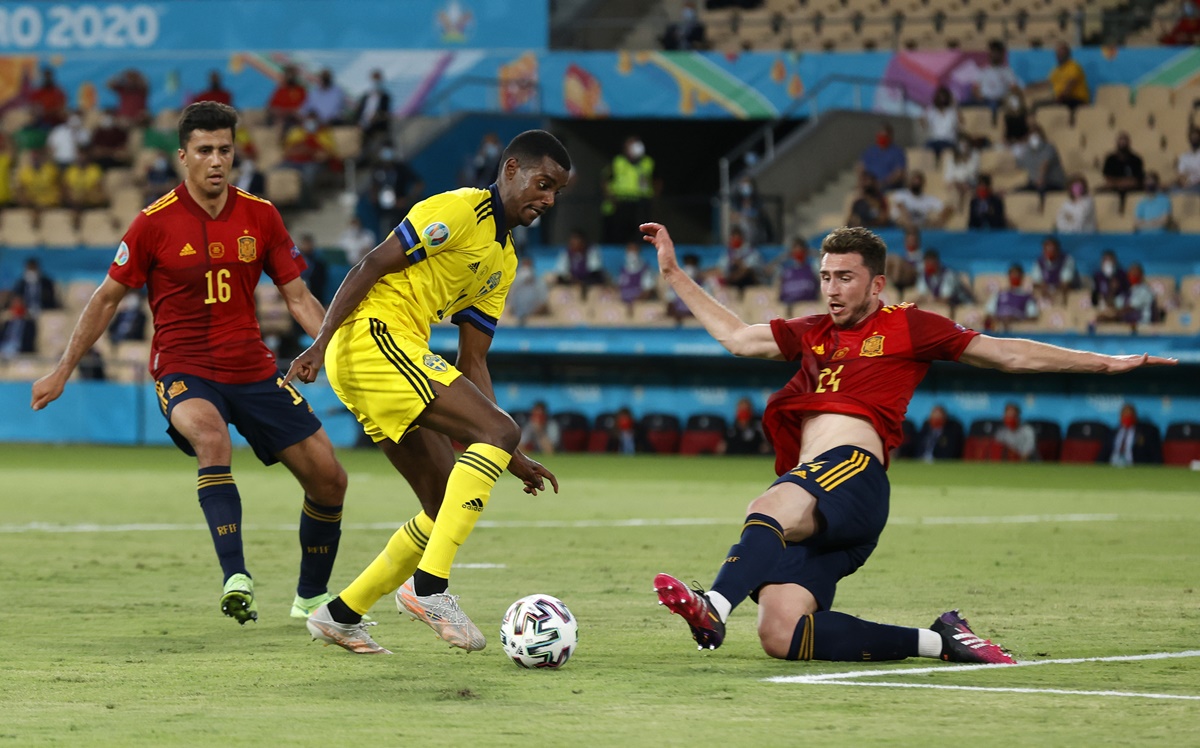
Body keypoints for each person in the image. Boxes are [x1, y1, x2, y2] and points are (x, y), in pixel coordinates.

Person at [640, 220, 1174, 664]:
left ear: (876, 285)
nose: (832, 289)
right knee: (782, 635)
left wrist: (1104, 361)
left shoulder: (908, 326)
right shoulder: (813, 332)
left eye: (845, 278)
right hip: (824, 497)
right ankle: (941, 640)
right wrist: (673, 272)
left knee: (768, 506)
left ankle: (712, 603)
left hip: (850, 474)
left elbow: (1006, 353)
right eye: (825, 277)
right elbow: (737, 337)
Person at [31, 101, 350, 627]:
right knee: (211, 438)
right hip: (184, 367)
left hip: (253, 368)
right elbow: (106, 299)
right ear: (183, 156)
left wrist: (329, 348)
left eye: (225, 150)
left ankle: (311, 599)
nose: (217, 160)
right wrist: (63, 369)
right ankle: (236, 577)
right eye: (205, 151)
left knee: (329, 480)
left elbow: (297, 295)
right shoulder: (152, 224)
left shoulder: (261, 215)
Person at [286, 129, 570, 655]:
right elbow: (370, 264)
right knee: (497, 430)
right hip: (374, 336)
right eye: (542, 183)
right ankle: (429, 589)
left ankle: (340, 614)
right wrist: (319, 344)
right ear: (510, 170)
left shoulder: (503, 261)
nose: (548, 199)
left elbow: (474, 360)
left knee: (441, 500)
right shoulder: (460, 211)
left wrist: (512, 452)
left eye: (556, 192)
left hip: (389, 352)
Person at [603, 135, 656, 244]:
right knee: (618, 233)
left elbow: (657, 181)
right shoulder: (618, 162)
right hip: (622, 201)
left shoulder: (648, 162)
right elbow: (606, 180)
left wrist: (654, 199)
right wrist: (611, 197)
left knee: (640, 233)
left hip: (641, 203)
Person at [1093, 261, 1157, 334]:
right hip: (1126, 328)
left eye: (1135, 273)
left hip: (1143, 328)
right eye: (1131, 273)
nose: (1133, 275)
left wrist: (1110, 317)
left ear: (1141, 275)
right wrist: (1112, 290)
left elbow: (1129, 308)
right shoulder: (1127, 292)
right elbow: (1113, 304)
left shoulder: (1145, 291)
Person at [970, 40, 1022, 113]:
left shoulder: (1007, 71)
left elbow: (1014, 88)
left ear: (1001, 54)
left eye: (996, 52)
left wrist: (1008, 96)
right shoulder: (983, 71)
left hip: (1001, 100)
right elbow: (975, 89)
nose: (994, 55)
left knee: (1015, 102)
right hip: (986, 100)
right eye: (992, 52)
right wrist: (979, 97)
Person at [986, 263, 1040, 331]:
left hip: (1017, 329)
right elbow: (989, 313)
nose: (1014, 278)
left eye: (1017, 275)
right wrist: (1001, 319)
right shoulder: (999, 294)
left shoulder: (1027, 297)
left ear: (1022, 277)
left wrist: (1016, 319)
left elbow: (1033, 316)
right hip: (999, 327)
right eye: (1012, 275)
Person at [1016, 126, 1066, 197]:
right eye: (1030, 135)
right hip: (1035, 184)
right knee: (1017, 192)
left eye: (1036, 135)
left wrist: (1040, 178)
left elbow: (1045, 164)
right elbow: (1019, 164)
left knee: (1041, 191)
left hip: (1054, 183)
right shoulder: (1027, 151)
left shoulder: (1049, 147)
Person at [554, 228, 607, 294]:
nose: (573, 244)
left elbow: (595, 274)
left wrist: (582, 283)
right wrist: (573, 281)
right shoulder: (565, 253)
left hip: (590, 284)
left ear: (583, 242)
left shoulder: (592, 251)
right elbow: (561, 274)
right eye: (572, 242)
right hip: (573, 284)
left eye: (577, 241)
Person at [1029, 235, 1077, 304]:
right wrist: (1044, 288)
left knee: (1063, 293)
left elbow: (1066, 282)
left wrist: (1054, 292)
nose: (1049, 251)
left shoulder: (1067, 260)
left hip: (1063, 291)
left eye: (1052, 249)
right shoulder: (1039, 262)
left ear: (1057, 249)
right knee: (1034, 291)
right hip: (1047, 291)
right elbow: (1037, 280)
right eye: (1047, 249)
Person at [353, 69, 392, 154]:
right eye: (374, 80)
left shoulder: (385, 97)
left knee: (380, 143)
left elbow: (385, 113)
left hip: (377, 125)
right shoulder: (365, 96)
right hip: (363, 124)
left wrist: (376, 117)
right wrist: (358, 122)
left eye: (377, 80)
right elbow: (360, 111)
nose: (375, 83)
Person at [860, 122, 906, 191]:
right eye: (880, 136)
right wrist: (862, 182)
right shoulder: (870, 151)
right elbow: (861, 167)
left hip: (887, 187)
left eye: (884, 136)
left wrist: (883, 183)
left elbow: (899, 173)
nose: (882, 138)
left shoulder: (897, 152)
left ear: (890, 136)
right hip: (869, 186)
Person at [1101, 132, 1145, 205]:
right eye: (1120, 140)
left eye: (1125, 141)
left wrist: (1117, 182)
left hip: (1132, 191)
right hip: (1113, 191)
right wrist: (1122, 183)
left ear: (1129, 143)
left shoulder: (1136, 159)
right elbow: (1108, 179)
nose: (1122, 143)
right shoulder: (1110, 159)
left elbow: (1136, 180)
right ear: (1117, 142)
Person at [777, 237, 819, 309]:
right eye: (795, 251)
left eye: (801, 251)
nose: (798, 254)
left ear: (805, 252)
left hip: (809, 306)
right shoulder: (785, 271)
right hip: (789, 308)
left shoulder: (813, 268)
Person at [923, 86, 960, 164]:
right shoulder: (931, 111)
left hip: (948, 141)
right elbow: (925, 125)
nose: (942, 99)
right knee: (926, 148)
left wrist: (955, 106)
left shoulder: (952, 112)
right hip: (934, 141)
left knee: (945, 148)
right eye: (940, 96)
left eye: (944, 96)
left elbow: (959, 124)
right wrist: (923, 120)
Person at [507, 257, 550, 325]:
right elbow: (510, 305)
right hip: (516, 317)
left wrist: (531, 316)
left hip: (535, 318)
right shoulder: (514, 284)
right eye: (524, 267)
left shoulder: (540, 284)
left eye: (527, 267)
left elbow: (544, 305)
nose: (525, 271)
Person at [943, 134, 980, 211]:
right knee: (954, 190)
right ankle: (957, 213)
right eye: (962, 144)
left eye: (966, 143)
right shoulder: (952, 157)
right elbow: (948, 174)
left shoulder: (975, 155)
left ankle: (959, 212)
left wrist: (966, 158)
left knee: (967, 189)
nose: (964, 146)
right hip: (956, 183)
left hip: (970, 182)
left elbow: (973, 172)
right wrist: (954, 182)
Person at [1175, 127, 1200, 192]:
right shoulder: (1184, 157)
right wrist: (1184, 183)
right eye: (1193, 138)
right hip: (1189, 186)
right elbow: (1181, 174)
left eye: (1196, 137)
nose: (1194, 139)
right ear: (1189, 139)